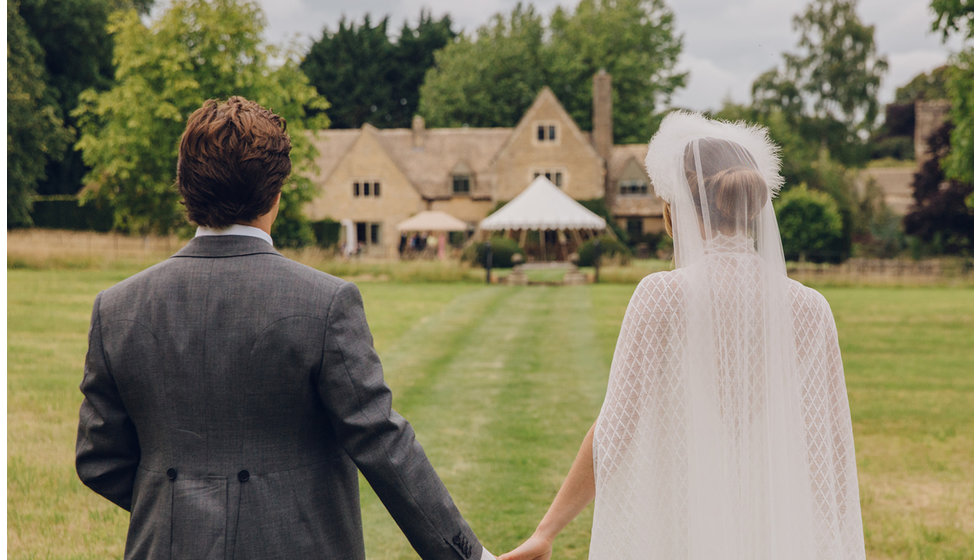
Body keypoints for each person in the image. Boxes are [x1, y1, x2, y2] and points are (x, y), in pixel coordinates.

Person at [75, 96, 494, 560]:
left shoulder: (116, 308)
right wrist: (470, 556)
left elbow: (100, 459)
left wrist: (183, 508)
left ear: (185, 187)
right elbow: (382, 441)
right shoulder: (325, 302)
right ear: (276, 194)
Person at [501, 112, 865, 560]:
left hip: (683, 526)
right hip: (777, 531)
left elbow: (614, 431)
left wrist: (546, 531)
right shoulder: (812, 310)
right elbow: (830, 454)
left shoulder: (663, 297)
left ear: (675, 209)